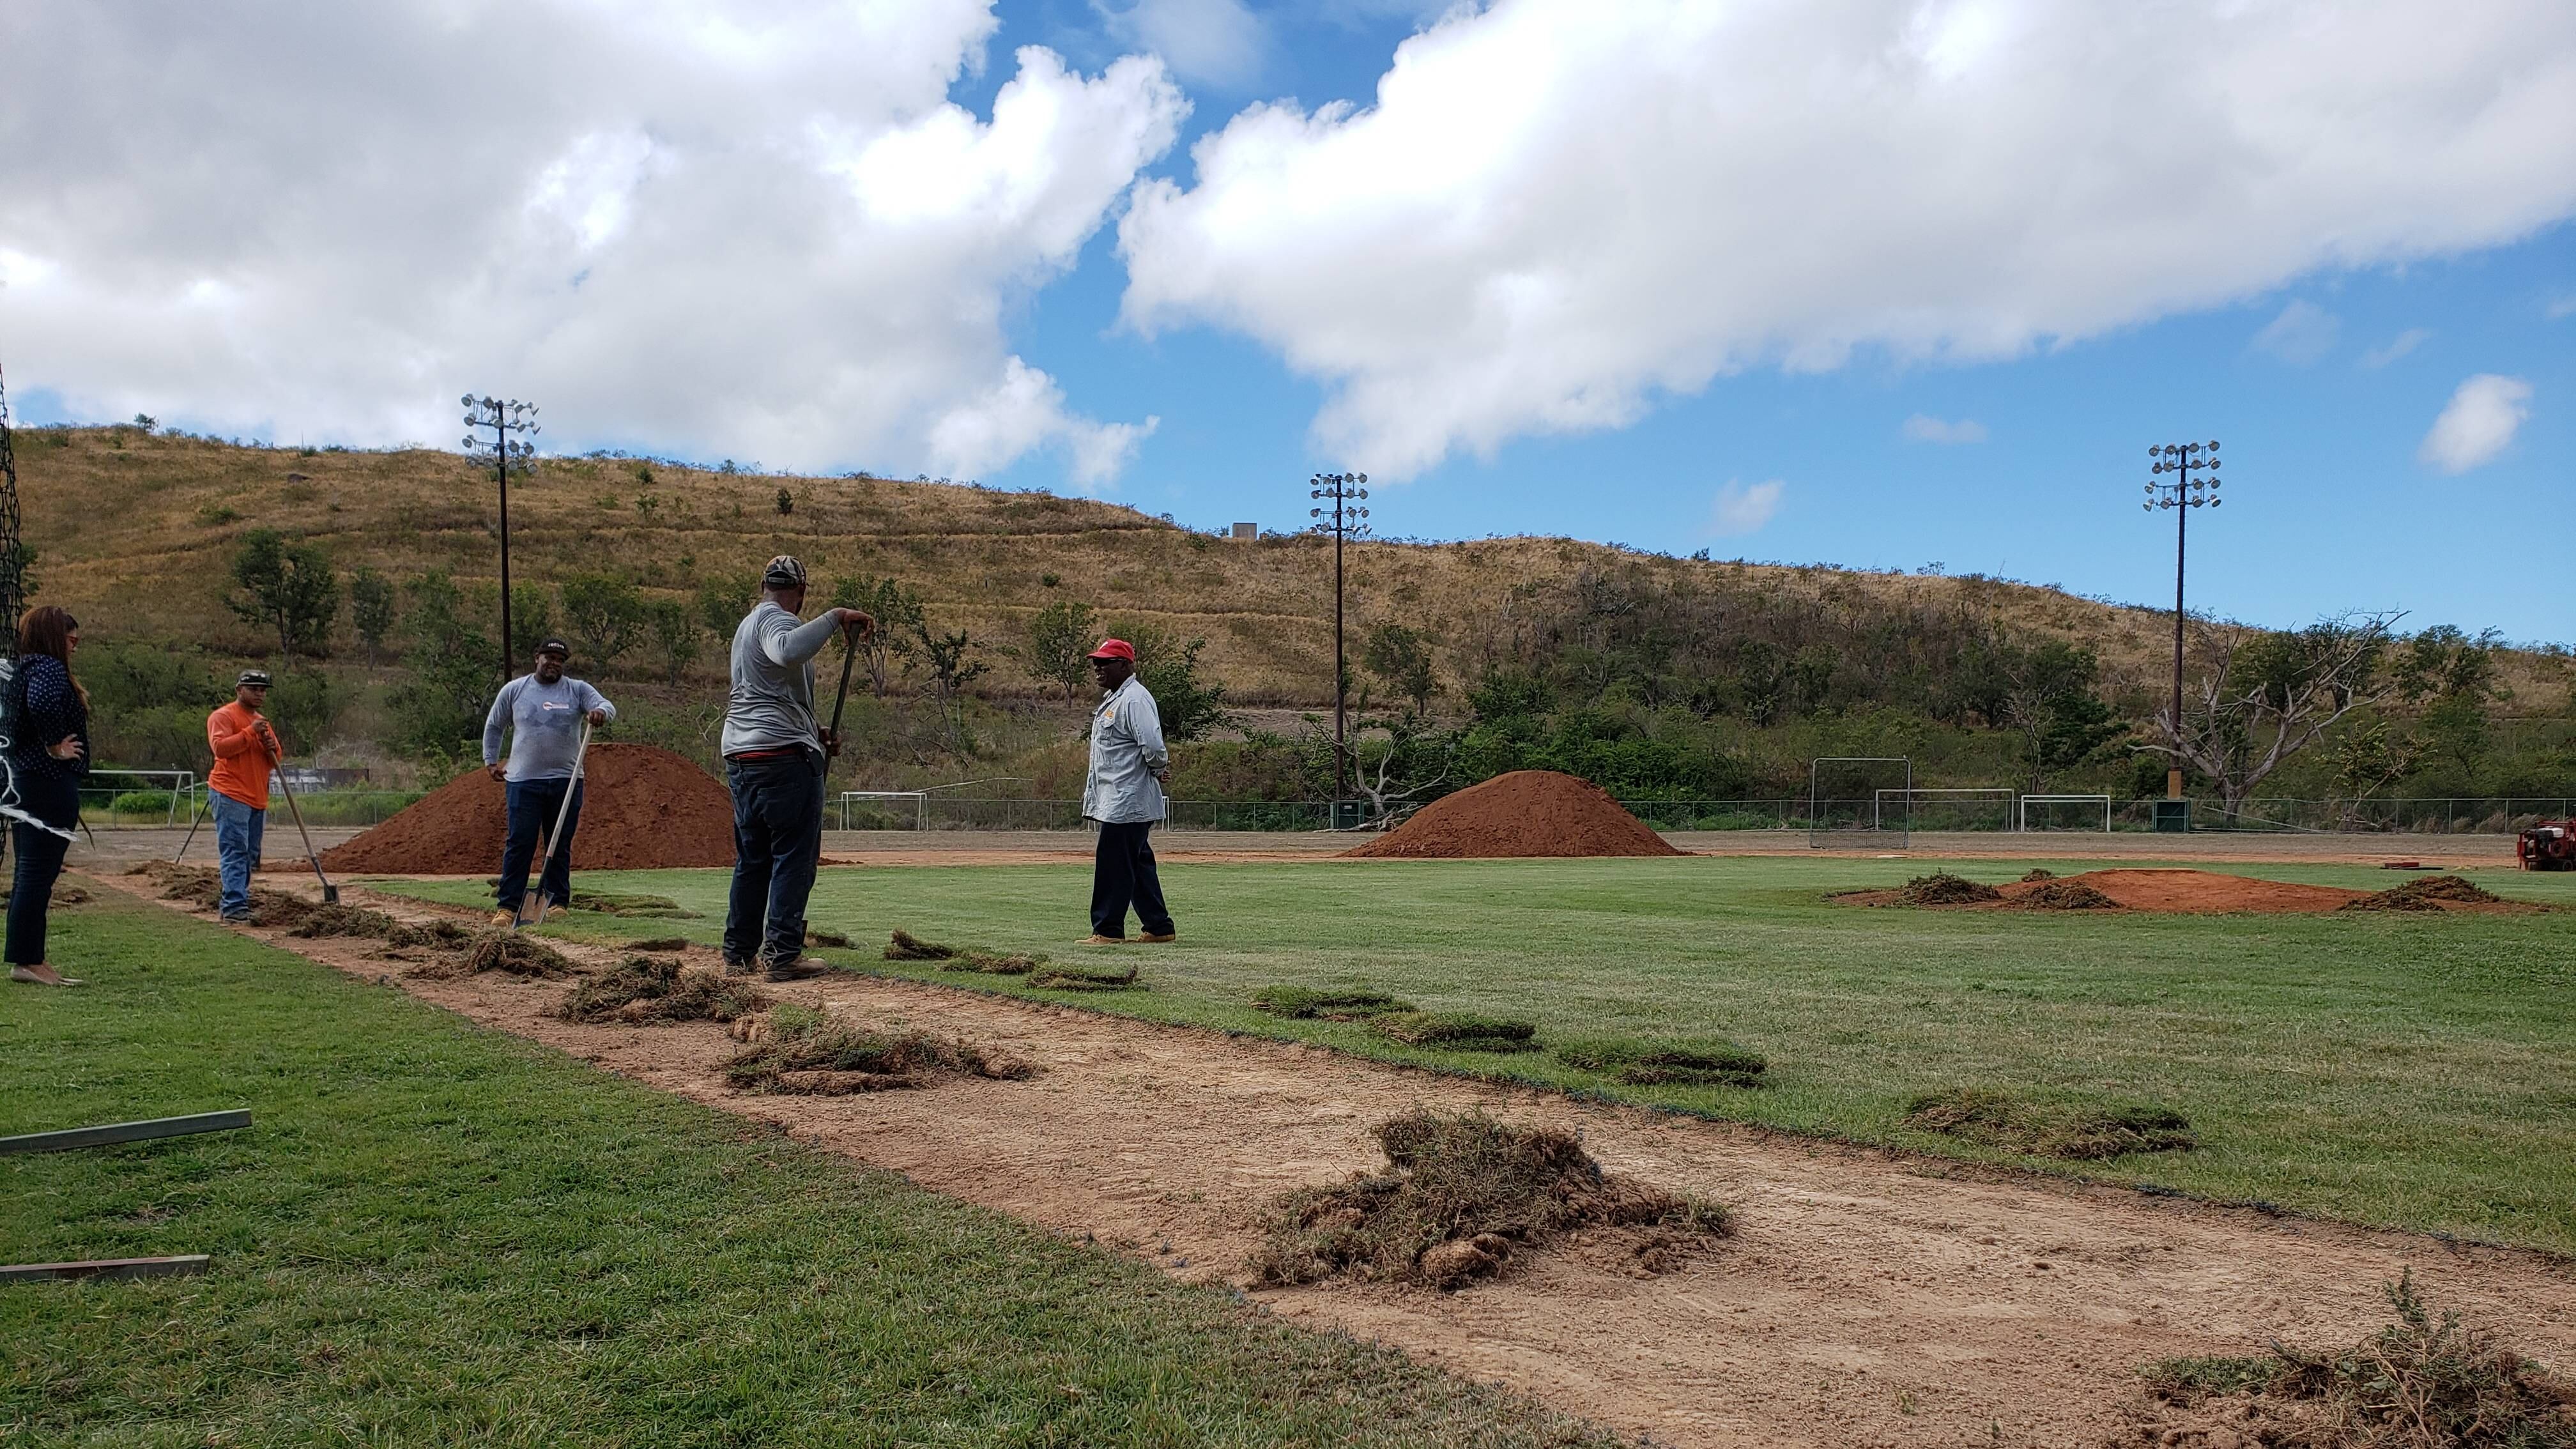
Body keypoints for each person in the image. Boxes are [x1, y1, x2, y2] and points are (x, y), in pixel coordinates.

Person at [720, 556, 870, 981]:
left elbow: (769, 692)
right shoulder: (775, 620)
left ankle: (738, 956)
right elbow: (786, 651)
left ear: (763, 584)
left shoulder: (746, 626)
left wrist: (813, 730)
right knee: (794, 857)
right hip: (781, 758)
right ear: (801, 592)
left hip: (742, 754)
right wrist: (835, 617)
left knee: (753, 859)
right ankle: (783, 954)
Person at [482, 638, 615, 926]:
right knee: (520, 843)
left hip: (567, 781)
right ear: (537, 658)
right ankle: (508, 907)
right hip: (523, 782)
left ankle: (557, 903)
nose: (554, 663)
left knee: (559, 844)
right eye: (549, 657)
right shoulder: (515, 690)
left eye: (560, 659)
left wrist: (600, 713)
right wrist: (490, 761)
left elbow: (606, 705)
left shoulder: (577, 690)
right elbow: (494, 725)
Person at [8, 606, 89, 986]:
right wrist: (56, 745)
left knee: (29, 873)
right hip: (47, 782)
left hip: (24, 782)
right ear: (55, 637)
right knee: (38, 874)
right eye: (71, 639)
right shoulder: (47, 669)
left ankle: (28, 958)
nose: (74, 647)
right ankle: (28, 961)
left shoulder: (23, 668)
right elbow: (41, 703)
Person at [1080, 638, 1176, 945]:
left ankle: (1108, 931)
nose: (1098, 668)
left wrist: (1159, 768)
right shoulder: (1115, 699)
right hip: (1119, 798)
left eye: (1105, 662)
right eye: (1096, 662)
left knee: (1114, 864)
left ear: (1124, 665)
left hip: (1127, 799)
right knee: (1137, 863)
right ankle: (1159, 927)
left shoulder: (1134, 700)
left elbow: (1153, 746)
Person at [204, 669, 280, 923]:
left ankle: (239, 899)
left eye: (263, 690)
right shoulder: (223, 716)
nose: (260, 694)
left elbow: (275, 759)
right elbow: (221, 748)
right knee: (236, 850)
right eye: (254, 689)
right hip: (231, 793)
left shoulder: (262, 722)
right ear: (239, 690)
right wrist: (249, 732)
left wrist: (272, 747)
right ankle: (234, 906)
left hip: (257, 795)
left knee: (250, 854)